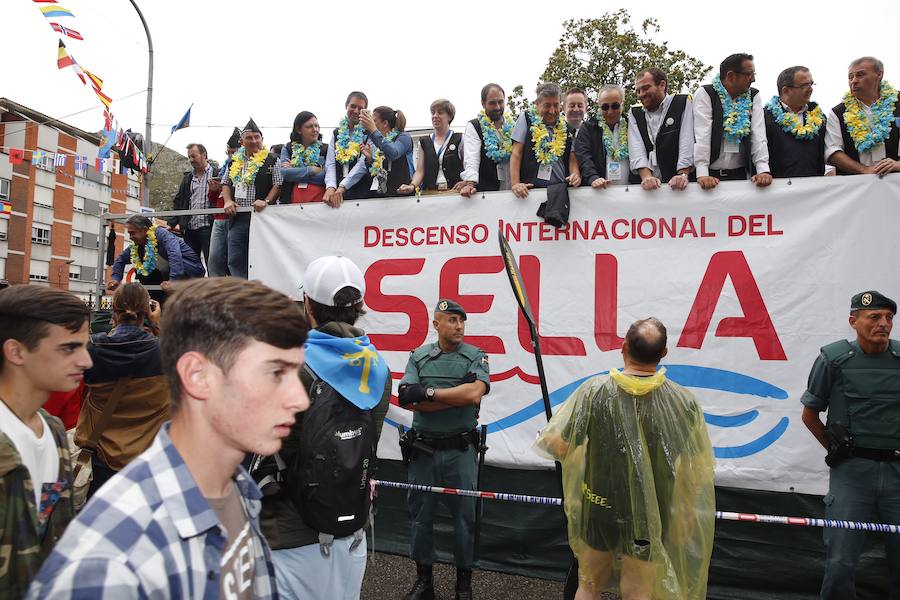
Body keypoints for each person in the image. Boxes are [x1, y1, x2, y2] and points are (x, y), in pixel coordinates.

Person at [28, 277, 312, 599]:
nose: (299, 400)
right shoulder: (107, 566)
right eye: (274, 373)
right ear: (196, 376)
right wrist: (158, 322)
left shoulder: (241, 492)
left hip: (105, 455)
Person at [534, 318, 715, 600]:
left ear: (623, 347)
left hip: (599, 505)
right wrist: (687, 513)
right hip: (650, 514)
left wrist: (547, 435)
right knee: (639, 592)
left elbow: (560, 447)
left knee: (589, 585)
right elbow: (694, 469)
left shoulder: (594, 392)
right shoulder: (683, 401)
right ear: (664, 353)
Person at [260, 256, 391, 600]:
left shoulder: (290, 366)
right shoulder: (378, 367)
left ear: (307, 304)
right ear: (359, 306)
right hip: (353, 532)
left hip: (290, 534)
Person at [800, 290, 900, 600]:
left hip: (897, 473)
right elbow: (810, 414)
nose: (883, 324)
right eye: (874, 317)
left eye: (889, 318)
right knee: (841, 563)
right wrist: (835, 449)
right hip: (852, 474)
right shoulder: (833, 360)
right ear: (853, 321)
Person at [0, 285, 91, 596]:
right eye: (69, 348)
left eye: (84, 346)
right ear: (16, 352)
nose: (86, 361)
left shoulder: (52, 431)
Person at [398, 300, 490, 600]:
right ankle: (425, 582)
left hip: (460, 452)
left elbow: (475, 393)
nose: (459, 326)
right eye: (451, 320)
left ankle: (463, 585)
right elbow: (407, 400)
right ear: (436, 323)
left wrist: (429, 393)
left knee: (465, 519)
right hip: (423, 451)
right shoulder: (419, 357)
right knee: (420, 518)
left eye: (462, 321)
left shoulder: (475, 356)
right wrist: (456, 395)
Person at [75, 283, 168, 500]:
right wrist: (157, 325)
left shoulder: (93, 349)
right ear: (147, 311)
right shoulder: (165, 351)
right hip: (148, 460)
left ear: (113, 311)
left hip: (102, 458)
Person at [693, 53, 773, 189]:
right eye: (749, 74)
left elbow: (758, 134)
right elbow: (702, 135)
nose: (753, 79)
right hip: (709, 176)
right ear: (730, 76)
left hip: (741, 175)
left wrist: (762, 170)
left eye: (754, 74)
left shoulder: (753, 95)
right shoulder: (707, 93)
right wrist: (702, 172)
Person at [221, 118, 283, 279]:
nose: (254, 141)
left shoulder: (272, 159)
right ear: (242, 141)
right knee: (235, 259)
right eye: (249, 138)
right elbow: (225, 183)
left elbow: (278, 185)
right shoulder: (234, 161)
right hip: (238, 217)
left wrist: (267, 201)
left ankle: (261, 294)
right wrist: (227, 201)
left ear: (262, 139)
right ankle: (243, 294)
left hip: (262, 217)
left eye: (257, 137)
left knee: (261, 257)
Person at [826, 57, 900, 177]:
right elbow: (832, 151)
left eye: (860, 75)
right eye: (850, 77)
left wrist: (898, 165)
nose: (854, 81)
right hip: (857, 188)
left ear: (879, 74)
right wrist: (864, 170)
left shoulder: (898, 102)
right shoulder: (838, 112)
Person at [108, 215, 205, 302]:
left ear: (145, 230)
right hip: (166, 280)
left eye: (132, 233)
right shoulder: (137, 245)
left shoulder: (162, 234)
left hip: (190, 275)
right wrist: (115, 279)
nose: (130, 237)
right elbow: (120, 260)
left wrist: (173, 281)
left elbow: (174, 254)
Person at [510, 82, 581, 198]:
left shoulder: (569, 129)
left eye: (556, 105)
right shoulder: (526, 119)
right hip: (530, 192)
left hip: (559, 192)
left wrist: (575, 174)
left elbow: (572, 159)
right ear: (537, 104)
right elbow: (517, 152)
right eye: (547, 105)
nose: (552, 111)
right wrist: (515, 184)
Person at [628, 68, 694, 190]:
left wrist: (682, 174)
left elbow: (687, 139)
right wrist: (646, 177)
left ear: (662, 85)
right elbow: (636, 147)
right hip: (648, 189)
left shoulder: (683, 102)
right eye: (638, 91)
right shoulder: (634, 112)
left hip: (680, 186)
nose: (641, 94)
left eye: (646, 88)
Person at [763, 66, 828, 178]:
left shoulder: (819, 117)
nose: (810, 89)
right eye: (804, 85)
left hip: (814, 187)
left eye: (811, 84)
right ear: (786, 90)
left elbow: (827, 149)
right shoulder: (765, 117)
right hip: (776, 188)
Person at [576, 85, 641, 189]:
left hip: (630, 193)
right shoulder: (588, 128)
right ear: (599, 107)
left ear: (622, 104)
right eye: (605, 107)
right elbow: (584, 156)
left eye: (615, 106)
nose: (610, 112)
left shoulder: (632, 125)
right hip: (600, 192)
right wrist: (593, 177)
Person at [459, 83, 514, 197]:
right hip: (486, 193)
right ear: (483, 104)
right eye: (492, 103)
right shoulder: (475, 126)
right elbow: (471, 158)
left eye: (500, 102)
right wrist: (470, 183)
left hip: (512, 191)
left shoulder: (514, 125)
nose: (498, 107)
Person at [400, 99, 465, 195]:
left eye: (440, 113)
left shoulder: (459, 139)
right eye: (433, 113)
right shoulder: (424, 142)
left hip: (454, 192)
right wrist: (412, 186)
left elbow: (467, 166)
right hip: (430, 193)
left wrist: (466, 181)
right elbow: (420, 171)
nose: (435, 116)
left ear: (450, 116)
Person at [324, 91, 373, 207]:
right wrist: (330, 187)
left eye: (360, 108)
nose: (356, 111)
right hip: (337, 194)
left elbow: (362, 165)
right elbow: (330, 163)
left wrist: (342, 187)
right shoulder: (337, 133)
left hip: (361, 194)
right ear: (346, 106)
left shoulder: (369, 133)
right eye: (353, 106)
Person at [169, 143, 214, 265]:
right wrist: (172, 223)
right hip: (189, 229)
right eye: (189, 157)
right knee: (191, 266)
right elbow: (179, 201)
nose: (191, 160)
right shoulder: (188, 178)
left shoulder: (217, 174)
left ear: (204, 155)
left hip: (209, 227)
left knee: (213, 264)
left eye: (194, 156)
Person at [208, 127, 241, 277]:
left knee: (234, 261)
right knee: (214, 260)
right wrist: (214, 190)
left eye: (234, 151)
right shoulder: (223, 169)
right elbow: (214, 200)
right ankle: (215, 295)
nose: (231, 155)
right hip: (218, 218)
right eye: (229, 152)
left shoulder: (245, 166)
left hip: (235, 218)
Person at [360, 105, 413, 198]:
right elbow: (374, 177)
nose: (371, 123)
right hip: (382, 198)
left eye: (374, 121)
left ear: (385, 123)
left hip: (402, 196)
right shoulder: (376, 142)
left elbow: (394, 153)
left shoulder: (404, 137)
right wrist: (370, 159)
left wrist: (373, 130)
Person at [279, 111, 328, 204]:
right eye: (310, 126)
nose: (315, 130)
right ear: (299, 129)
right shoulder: (288, 148)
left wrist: (294, 171)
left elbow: (325, 176)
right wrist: (311, 170)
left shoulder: (326, 149)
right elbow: (285, 173)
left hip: (319, 203)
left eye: (317, 126)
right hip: (291, 203)